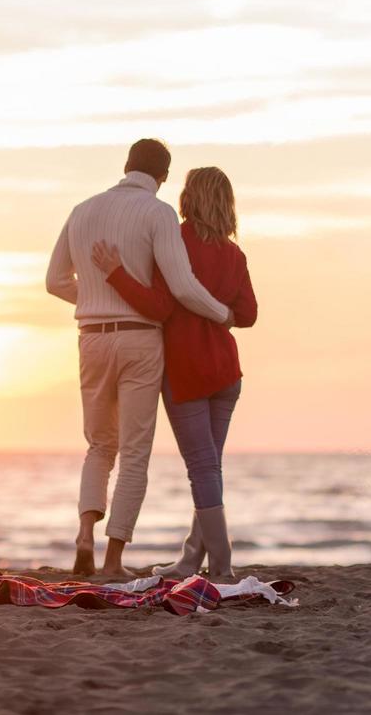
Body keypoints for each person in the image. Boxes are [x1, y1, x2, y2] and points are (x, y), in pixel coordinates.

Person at [45, 139, 233, 578]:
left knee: (98, 445)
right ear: (163, 177)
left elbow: (55, 281)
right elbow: (183, 288)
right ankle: (113, 562)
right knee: (133, 452)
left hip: (90, 337)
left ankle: (83, 536)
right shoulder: (159, 213)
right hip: (140, 340)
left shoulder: (82, 210)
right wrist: (222, 314)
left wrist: (94, 296)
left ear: (126, 165)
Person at [90, 166, 257, 582]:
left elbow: (159, 305)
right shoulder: (235, 255)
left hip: (185, 372)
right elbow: (250, 315)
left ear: (188, 199)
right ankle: (190, 558)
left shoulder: (176, 240)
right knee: (210, 467)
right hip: (225, 371)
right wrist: (222, 314)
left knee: (202, 468)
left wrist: (115, 275)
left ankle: (220, 565)